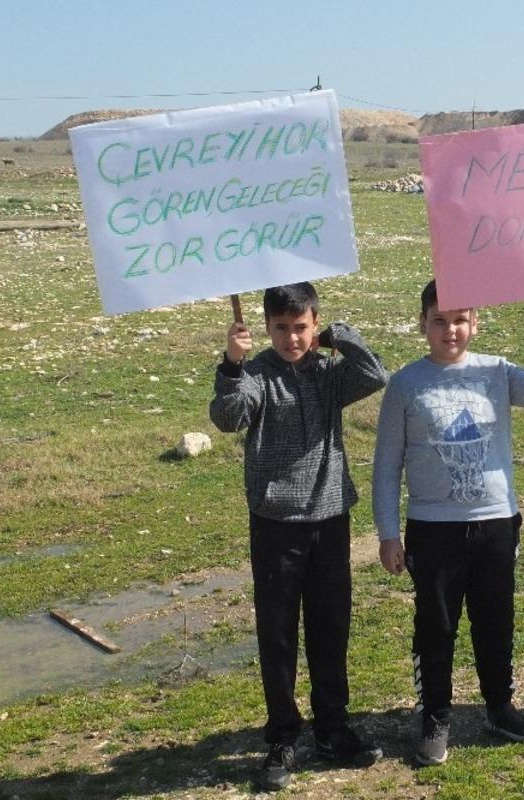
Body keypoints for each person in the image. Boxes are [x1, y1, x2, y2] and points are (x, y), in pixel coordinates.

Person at [372, 280, 524, 766]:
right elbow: (387, 465)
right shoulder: (406, 384)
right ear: (422, 323)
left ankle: (499, 707)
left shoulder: (496, 371)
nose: (450, 330)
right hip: (433, 526)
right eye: (439, 321)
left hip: (495, 521)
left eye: (460, 320)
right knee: (436, 624)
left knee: (495, 618)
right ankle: (434, 717)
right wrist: (388, 533)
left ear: (476, 323)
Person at [209, 282, 389, 792]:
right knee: (279, 633)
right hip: (275, 523)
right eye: (282, 328)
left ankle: (332, 729)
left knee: (330, 627)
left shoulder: (329, 374)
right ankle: (283, 736)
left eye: (302, 328)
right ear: (267, 327)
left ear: (314, 323)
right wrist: (232, 364)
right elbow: (229, 417)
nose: (292, 338)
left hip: (329, 518)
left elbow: (374, 374)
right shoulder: (256, 375)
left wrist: (339, 336)